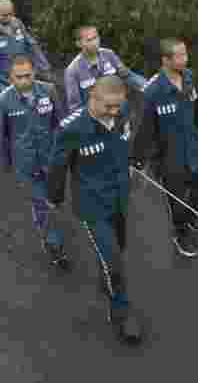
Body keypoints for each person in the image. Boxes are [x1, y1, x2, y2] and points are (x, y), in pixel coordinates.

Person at [46, 75, 142, 344]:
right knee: (114, 265)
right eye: (108, 107)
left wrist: (135, 164)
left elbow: (127, 145)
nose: (115, 112)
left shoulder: (122, 113)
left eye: (118, 106)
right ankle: (121, 312)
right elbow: (57, 166)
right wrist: (54, 199)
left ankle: (109, 277)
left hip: (120, 200)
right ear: (92, 98)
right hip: (92, 206)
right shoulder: (72, 129)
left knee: (117, 251)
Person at [131, 38, 198, 258]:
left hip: (195, 150)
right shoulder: (153, 91)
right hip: (169, 158)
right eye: (179, 56)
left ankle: (188, 216)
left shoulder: (189, 77)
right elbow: (144, 129)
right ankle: (181, 233)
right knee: (176, 203)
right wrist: (137, 161)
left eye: (185, 54)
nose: (185, 59)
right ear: (165, 60)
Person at [0, 55, 69, 268]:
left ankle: (47, 219)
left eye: (28, 75)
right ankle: (53, 244)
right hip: (26, 163)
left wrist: (65, 153)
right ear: (10, 78)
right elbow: (0, 137)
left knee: (54, 199)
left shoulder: (49, 91)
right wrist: (6, 165)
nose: (24, 81)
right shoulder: (3, 101)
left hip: (51, 157)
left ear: (34, 73)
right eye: (19, 77)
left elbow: (61, 123)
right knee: (41, 204)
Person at [63, 25, 145, 115]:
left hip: (118, 110)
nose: (94, 42)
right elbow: (75, 106)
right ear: (79, 44)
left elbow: (128, 76)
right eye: (89, 40)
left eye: (95, 38)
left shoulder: (109, 54)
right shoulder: (72, 70)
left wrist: (149, 88)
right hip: (95, 117)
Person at [0, 0, 50, 92]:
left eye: (10, 14)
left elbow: (32, 45)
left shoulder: (17, 23)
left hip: (27, 78)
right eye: (4, 15)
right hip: (7, 84)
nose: (8, 18)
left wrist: (44, 67)